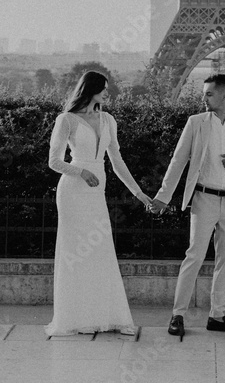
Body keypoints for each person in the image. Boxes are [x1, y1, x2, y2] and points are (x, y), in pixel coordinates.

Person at [149, 73, 225, 337]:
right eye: (204, 94)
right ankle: (177, 315)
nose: (204, 98)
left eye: (209, 94)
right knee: (194, 257)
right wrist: (163, 197)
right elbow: (178, 161)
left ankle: (218, 316)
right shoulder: (196, 123)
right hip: (203, 199)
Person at [45, 70, 151, 336]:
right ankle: (73, 319)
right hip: (73, 191)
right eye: (104, 88)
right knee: (75, 252)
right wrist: (80, 171)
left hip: (96, 192)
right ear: (90, 89)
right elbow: (54, 161)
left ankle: (107, 317)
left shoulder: (108, 120)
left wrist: (139, 193)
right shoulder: (66, 119)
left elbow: (117, 162)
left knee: (100, 249)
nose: (108, 92)